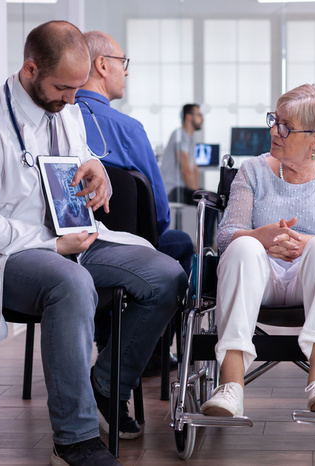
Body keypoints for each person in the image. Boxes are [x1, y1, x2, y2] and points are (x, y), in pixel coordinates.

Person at [0, 21, 187, 466]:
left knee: (167, 275)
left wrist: (96, 170)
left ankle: (104, 387)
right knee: (71, 283)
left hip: (73, 241)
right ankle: (74, 439)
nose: (73, 99)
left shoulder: (66, 108)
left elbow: (77, 157)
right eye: (62, 87)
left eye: (78, 88)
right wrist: (49, 246)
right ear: (30, 69)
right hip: (6, 258)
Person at [200, 84, 315, 417]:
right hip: (261, 279)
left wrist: (307, 243)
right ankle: (230, 387)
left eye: (285, 126)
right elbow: (226, 237)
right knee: (243, 246)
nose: (274, 130)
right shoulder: (252, 170)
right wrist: (260, 236)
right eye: (274, 120)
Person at [76, 30, 192, 373]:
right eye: (121, 63)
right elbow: (157, 212)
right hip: (127, 252)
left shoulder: (57, 122)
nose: (125, 71)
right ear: (101, 65)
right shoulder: (128, 128)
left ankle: (105, 337)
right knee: (180, 243)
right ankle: (155, 351)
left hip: (65, 246)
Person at [159, 103, 217, 246]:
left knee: (212, 199)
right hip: (172, 189)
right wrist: (196, 192)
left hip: (181, 187)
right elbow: (185, 168)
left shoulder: (190, 138)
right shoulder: (180, 135)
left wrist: (197, 189)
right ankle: (205, 247)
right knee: (209, 202)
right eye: (198, 115)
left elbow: (193, 167)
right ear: (189, 117)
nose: (201, 118)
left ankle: (207, 245)